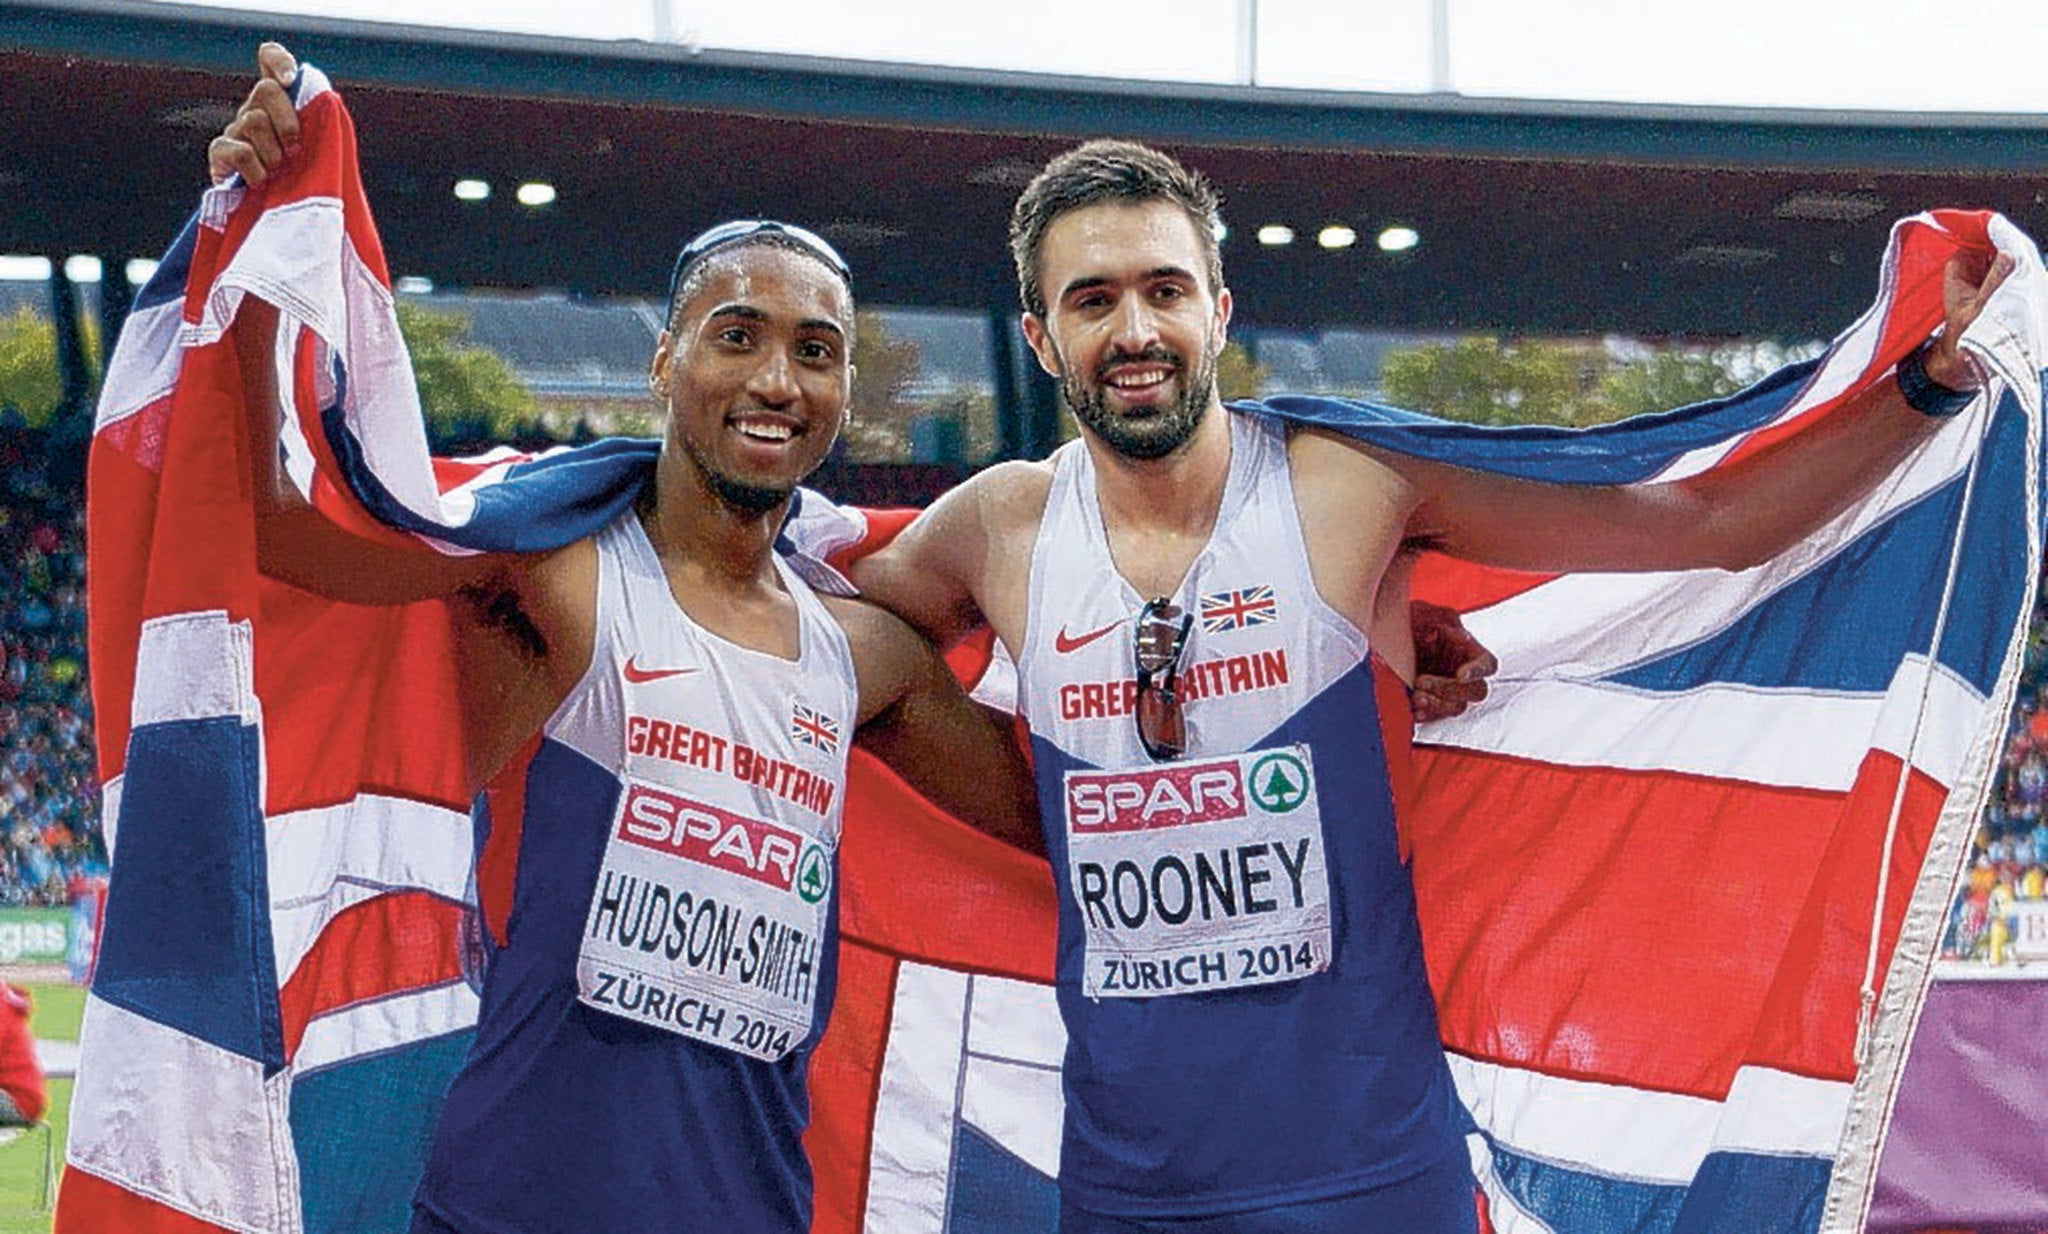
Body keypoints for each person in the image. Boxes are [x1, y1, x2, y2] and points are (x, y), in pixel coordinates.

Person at [844, 139, 2012, 1230]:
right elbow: (823, 624)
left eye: (1163, 289)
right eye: (1091, 300)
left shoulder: (1345, 484)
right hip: (1119, 1183)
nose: (1134, 328)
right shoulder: (996, 529)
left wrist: (1926, 380)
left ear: (1218, 310)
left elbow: (1709, 523)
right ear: (1041, 338)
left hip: (1370, 1173)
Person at [211, 47, 1040, 1234]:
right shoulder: (558, 577)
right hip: (514, 1206)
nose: (775, 376)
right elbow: (292, 536)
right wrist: (257, 268)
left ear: (843, 394)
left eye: (814, 351)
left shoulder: (862, 660)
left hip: (750, 1209)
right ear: (665, 362)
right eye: (737, 334)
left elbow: (1075, 826)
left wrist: (1392, 682)